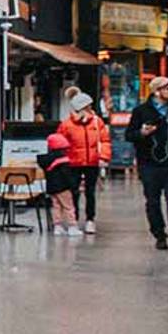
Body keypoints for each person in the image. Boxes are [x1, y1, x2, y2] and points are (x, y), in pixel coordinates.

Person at [126, 75, 168, 251]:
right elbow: (129, 135)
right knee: (153, 201)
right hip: (150, 163)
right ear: (157, 91)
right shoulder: (141, 111)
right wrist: (142, 133)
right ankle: (159, 234)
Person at [54, 88, 112, 234]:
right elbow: (60, 142)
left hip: (92, 162)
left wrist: (104, 157)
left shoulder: (97, 122)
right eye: (87, 106)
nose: (90, 109)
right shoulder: (67, 125)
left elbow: (105, 140)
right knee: (73, 192)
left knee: (90, 192)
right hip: (73, 163)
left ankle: (90, 220)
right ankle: (74, 220)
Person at [38, 130, 81, 235]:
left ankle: (57, 226)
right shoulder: (64, 161)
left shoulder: (47, 160)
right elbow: (68, 176)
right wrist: (74, 187)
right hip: (63, 187)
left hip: (52, 188)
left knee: (56, 206)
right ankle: (72, 226)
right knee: (68, 206)